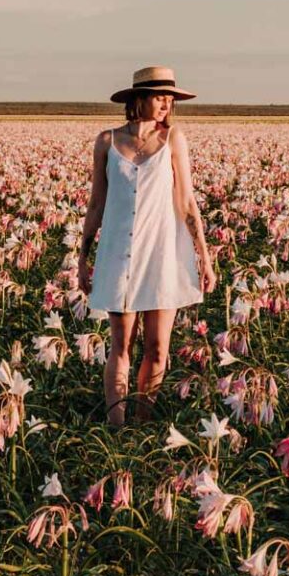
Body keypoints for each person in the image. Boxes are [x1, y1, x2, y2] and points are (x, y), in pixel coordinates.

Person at [77, 66, 218, 428]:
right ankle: (116, 426)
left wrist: (204, 256)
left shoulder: (173, 140)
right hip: (118, 254)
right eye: (159, 97)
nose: (166, 105)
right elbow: (96, 203)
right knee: (120, 346)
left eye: (170, 99)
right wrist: (82, 257)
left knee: (157, 348)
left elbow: (187, 202)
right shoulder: (107, 141)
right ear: (138, 100)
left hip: (161, 254)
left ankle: (142, 420)